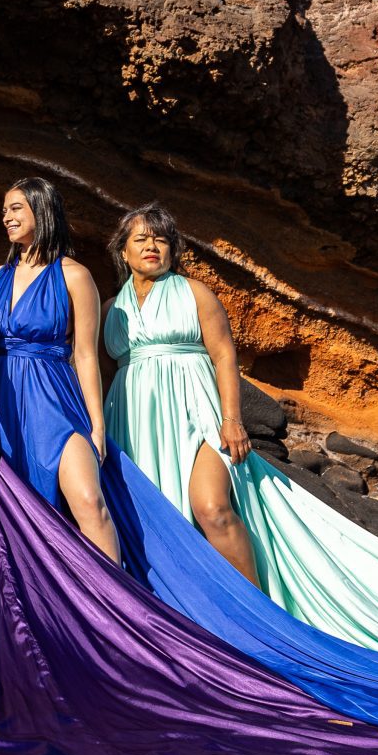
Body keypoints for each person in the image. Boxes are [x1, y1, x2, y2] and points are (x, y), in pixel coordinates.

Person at [101, 203, 263, 584]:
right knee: (149, 520)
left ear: (173, 250)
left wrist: (233, 419)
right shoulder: (110, 309)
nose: (151, 246)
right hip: (133, 422)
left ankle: (262, 615)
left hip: (198, 413)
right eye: (140, 239)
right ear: (123, 251)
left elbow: (224, 355)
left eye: (160, 239)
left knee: (212, 507)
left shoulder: (196, 292)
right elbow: (103, 374)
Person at [0, 176, 123, 564]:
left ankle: (118, 611)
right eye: (4, 210)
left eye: (16, 208)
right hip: (3, 399)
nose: (6, 217)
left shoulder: (74, 275)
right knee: (14, 513)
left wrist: (96, 425)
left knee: (90, 502)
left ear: (41, 212)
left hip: (56, 398)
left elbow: (87, 356)